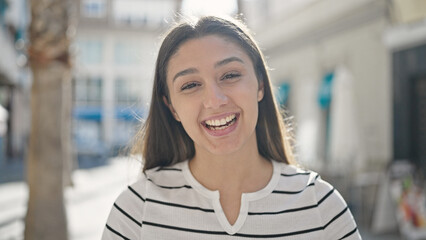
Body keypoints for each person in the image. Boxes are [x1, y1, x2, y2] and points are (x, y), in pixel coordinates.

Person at [102, 15, 361, 239]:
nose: (215, 100)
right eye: (190, 85)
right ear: (172, 108)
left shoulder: (321, 206)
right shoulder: (137, 210)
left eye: (230, 75)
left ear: (260, 84)